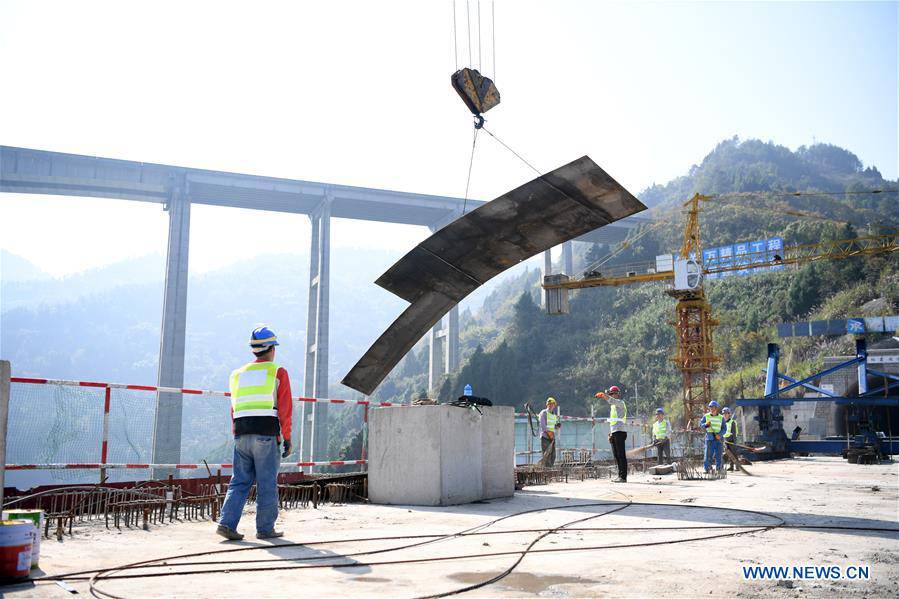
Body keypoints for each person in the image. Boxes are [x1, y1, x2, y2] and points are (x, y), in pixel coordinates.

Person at [217, 325, 294, 541]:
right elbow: (285, 410)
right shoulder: (277, 372)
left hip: (241, 434)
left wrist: (237, 433)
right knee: (266, 481)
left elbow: (234, 409)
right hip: (265, 434)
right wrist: (287, 438)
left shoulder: (237, 374)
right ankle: (265, 528)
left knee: (239, 481)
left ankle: (226, 523)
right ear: (272, 349)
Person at [596, 386, 628, 482]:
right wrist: (611, 433)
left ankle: (623, 477)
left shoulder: (620, 403)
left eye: (612, 394)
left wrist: (604, 396)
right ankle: (620, 475)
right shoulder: (613, 407)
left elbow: (611, 400)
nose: (611, 396)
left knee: (621, 455)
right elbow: (613, 421)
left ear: (617, 394)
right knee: (616, 455)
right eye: (610, 394)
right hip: (615, 432)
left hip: (620, 431)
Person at [699, 400, 725, 473]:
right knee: (708, 455)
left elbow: (724, 428)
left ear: (716, 408)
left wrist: (720, 435)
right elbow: (701, 425)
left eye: (713, 408)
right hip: (709, 438)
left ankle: (719, 469)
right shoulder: (706, 416)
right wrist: (706, 425)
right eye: (710, 408)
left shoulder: (721, 417)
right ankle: (707, 469)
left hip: (718, 439)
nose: (712, 409)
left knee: (719, 455)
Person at [538, 397, 561, 467]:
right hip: (545, 437)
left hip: (552, 437)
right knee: (546, 455)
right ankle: (546, 470)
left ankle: (550, 468)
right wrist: (548, 433)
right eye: (549, 404)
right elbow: (543, 426)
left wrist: (557, 426)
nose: (551, 405)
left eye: (552, 404)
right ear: (547, 405)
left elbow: (553, 427)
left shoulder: (554, 415)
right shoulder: (543, 413)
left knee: (553, 455)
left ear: (554, 405)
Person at [722, 406, 739, 471]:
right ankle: (731, 467)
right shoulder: (723, 423)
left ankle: (737, 467)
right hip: (726, 440)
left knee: (734, 453)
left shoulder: (732, 422)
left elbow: (734, 432)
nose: (725, 415)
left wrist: (734, 442)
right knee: (729, 454)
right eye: (724, 414)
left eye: (726, 413)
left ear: (729, 414)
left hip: (732, 439)